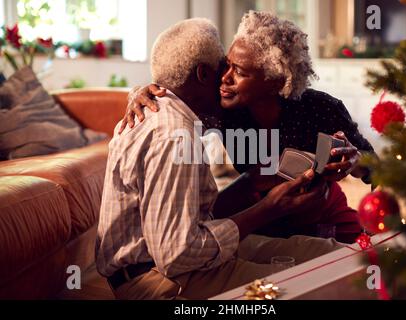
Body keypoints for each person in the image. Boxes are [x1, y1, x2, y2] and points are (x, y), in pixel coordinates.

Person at [96, 18, 342, 300]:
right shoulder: (175, 134)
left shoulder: (164, 111)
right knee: (309, 285)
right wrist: (269, 207)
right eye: (224, 66)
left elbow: (190, 227)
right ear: (203, 73)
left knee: (325, 256)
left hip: (176, 262)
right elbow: (177, 255)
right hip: (157, 281)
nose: (227, 78)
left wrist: (251, 182)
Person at [121, 11, 376, 244]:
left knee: (366, 267)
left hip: (321, 216)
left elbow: (375, 170)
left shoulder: (321, 108)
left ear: (276, 80)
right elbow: (179, 98)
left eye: (239, 72)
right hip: (262, 219)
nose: (224, 77)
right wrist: (141, 91)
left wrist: (354, 160)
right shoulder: (224, 111)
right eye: (226, 65)